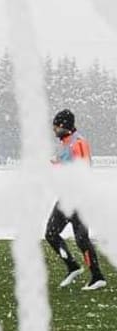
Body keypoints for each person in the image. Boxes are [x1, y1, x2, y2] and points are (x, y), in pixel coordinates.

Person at [45, 109, 106, 291]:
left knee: (81, 239)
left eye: (56, 126)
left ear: (64, 126)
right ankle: (72, 266)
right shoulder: (65, 143)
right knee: (51, 234)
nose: (54, 129)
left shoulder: (79, 142)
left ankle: (97, 277)